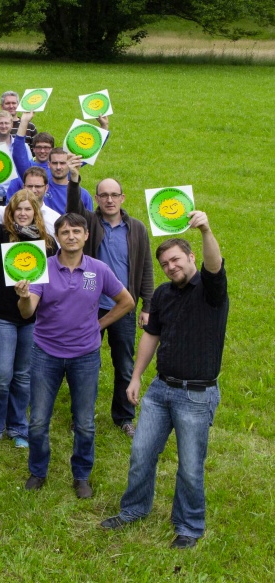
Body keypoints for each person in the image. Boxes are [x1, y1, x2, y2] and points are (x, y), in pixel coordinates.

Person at [100, 211, 226, 550]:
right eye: (165, 263)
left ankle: (189, 526)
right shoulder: (163, 294)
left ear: (191, 258)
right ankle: (134, 509)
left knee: (189, 466)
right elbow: (150, 336)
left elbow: (215, 265)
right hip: (160, 389)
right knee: (141, 453)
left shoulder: (211, 289)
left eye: (176, 260)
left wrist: (205, 229)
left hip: (196, 396)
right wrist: (136, 377)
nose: (171, 267)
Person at [16, 213, 135, 499]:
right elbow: (27, 312)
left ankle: (81, 475)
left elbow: (127, 302)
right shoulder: (42, 268)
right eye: (65, 231)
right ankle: (38, 471)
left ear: (86, 236)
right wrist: (23, 295)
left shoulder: (98, 270)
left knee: (84, 422)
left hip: (85, 356)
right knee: (39, 421)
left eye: (76, 231)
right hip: (46, 353)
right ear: (57, 237)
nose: (71, 236)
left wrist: (100, 324)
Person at [67, 163, 154, 437]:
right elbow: (72, 209)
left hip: (124, 306)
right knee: (84, 362)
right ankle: (81, 416)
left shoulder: (137, 229)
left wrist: (148, 306)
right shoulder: (89, 223)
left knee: (125, 363)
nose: (109, 199)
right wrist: (74, 179)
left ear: (122, 198)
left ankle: (124, 416)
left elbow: (147, 268)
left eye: (114, 194)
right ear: (96, 199)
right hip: (90, 304)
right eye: (103, 195)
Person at [0, 187, 57, 450]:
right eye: (18, 209)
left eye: (27, 209)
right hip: (1, 315)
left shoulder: (47, 244)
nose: (22, 213)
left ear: (35, 213)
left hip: (33, 318)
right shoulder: (1, 235)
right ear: (11, 212)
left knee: (23, 375)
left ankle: (18, 426)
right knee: (0, 374)